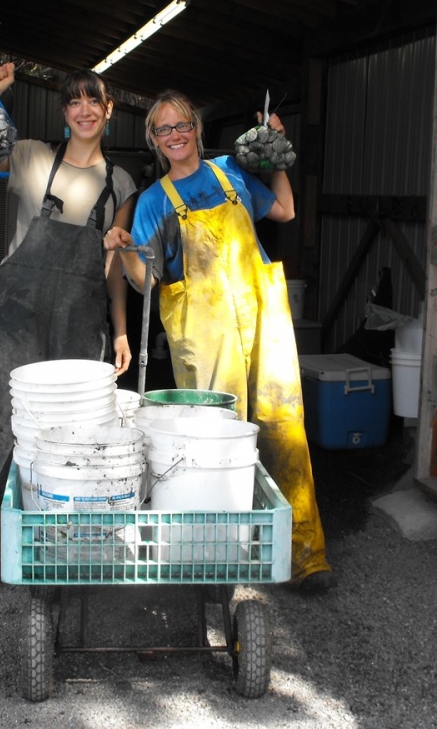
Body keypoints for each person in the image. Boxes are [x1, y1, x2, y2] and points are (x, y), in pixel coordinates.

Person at [105, 90, 335, 593]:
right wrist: (124, 250)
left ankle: (303, 552)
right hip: (205, 336)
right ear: (154, 140)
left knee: (282, 429)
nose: (176, 135)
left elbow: (286, 210)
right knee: (215, 443)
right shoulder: (154, 202)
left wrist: (275, 155)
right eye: (164, 129)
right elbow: (146, 281)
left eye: (182, 124)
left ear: (197, 128)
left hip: (261, 322)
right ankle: (215, 558)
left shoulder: (232, 171)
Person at [0, 63, 137, 596]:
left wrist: (122, 331)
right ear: (65, 113)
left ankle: (63, 551)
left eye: (95, 102)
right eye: (75, 102)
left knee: (73, 438)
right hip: (17, 313)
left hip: (80, 319)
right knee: (0, 431)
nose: (85, 111)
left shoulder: (123, 183)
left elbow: (115, 270)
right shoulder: (33, 156)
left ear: (108, 111)